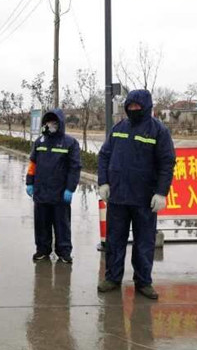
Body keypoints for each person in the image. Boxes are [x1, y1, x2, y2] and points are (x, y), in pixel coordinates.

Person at [97, 89, 175, 300]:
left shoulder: (158, 131)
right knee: (115, 240)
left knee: (144, 242)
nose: (133, 109)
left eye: (137, 106)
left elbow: (167, 163)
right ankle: (113, 278)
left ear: (146, 107)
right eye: (130, 106)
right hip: (118, 197)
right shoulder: (119, 128)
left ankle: (143, 282)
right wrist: (103, 182)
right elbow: (104, 155)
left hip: (144, 199)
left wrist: (161, 193)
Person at [25, 108, 81, 263]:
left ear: (60, 123)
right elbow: (32, 164)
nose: (50, 125)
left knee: (62, 224)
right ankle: (42, 250)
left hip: (60, 193)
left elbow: (75, 168)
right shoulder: (40, 142)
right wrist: (29, 182)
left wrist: (70, 188)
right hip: (41, 191)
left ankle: (64, 252)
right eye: (48, 122)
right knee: (41, 224)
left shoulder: (70, 143)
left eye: (54, 122)